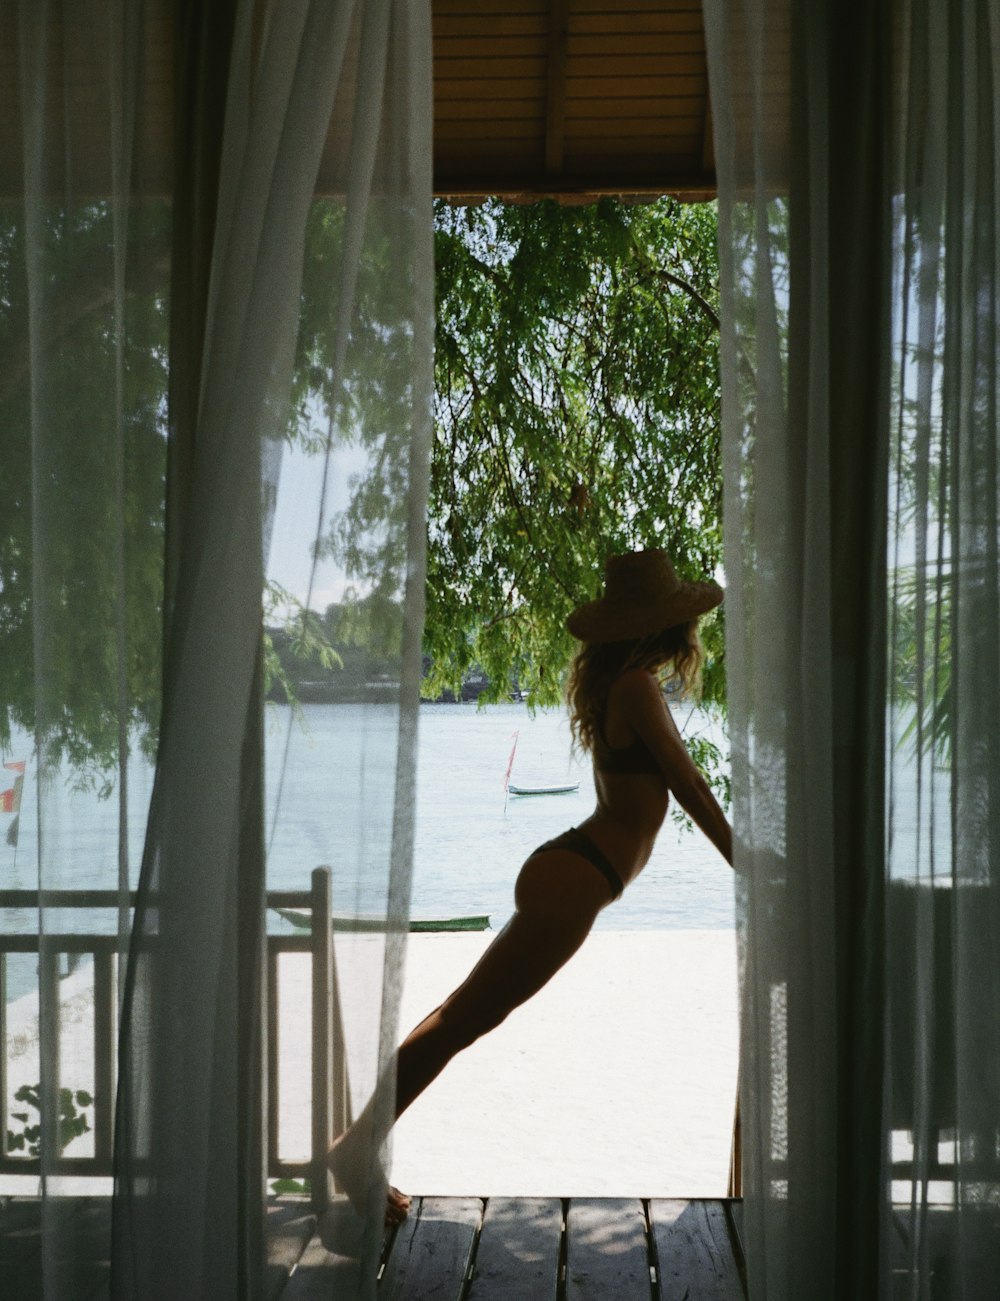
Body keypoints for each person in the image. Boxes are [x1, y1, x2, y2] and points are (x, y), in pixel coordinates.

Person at [327, 548, 734, 1224]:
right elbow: (688, 782)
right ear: (669, 625)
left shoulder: (620, 684)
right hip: (575, 879)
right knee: (463, 1021)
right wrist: (744, 859)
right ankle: (353, 1149)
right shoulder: (637, 685)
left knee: (462, 1015)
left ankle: (356, 1145)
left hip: (572, 870)